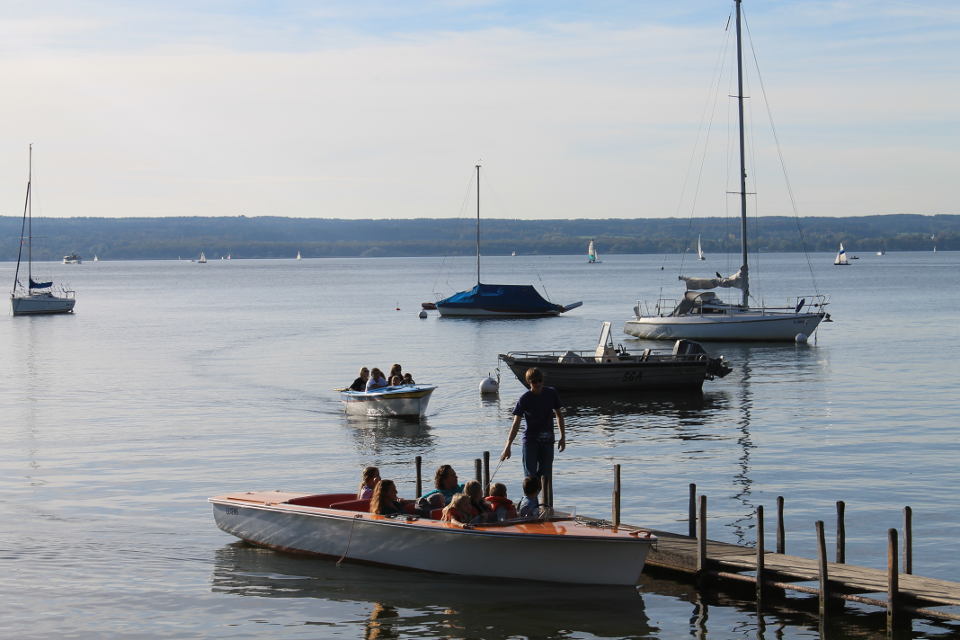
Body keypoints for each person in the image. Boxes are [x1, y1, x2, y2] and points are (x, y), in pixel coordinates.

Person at [500, 367, 566, 483]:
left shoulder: (551, 393)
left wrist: (562, 437)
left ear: (543, 380)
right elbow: (516, 423)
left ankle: (543, 500)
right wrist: (508, 445)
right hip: (530, 441)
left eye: (540, 380)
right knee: (530, 477)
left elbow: (559, 415)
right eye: (534, 381)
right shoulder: (525, 399)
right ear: (529, 382)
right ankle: (531, 500)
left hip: (547, 440)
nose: (538, 384)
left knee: (545, 476)